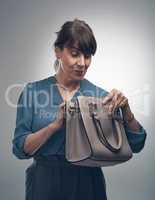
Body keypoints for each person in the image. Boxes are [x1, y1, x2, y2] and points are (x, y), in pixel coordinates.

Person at [12, 19, 147, 200]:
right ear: (58, 52)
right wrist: (54, 126)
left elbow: (136, 145)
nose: (82, 63)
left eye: (88, 55)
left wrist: (127, 112)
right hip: (44, 182)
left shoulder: (101, 96)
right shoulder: (33, 92)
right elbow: (20, 149)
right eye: (75, 54)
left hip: (88, 183)